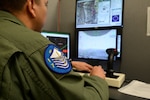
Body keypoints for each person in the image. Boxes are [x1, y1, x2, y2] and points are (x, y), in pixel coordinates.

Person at [0, 0, 109, 100]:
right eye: (46, 4)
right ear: (31, 6)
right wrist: (97, 79)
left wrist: (70, 63)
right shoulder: (36, 45)